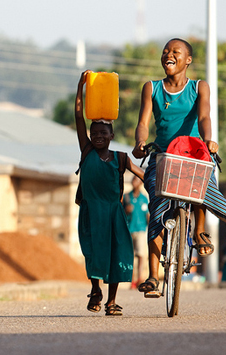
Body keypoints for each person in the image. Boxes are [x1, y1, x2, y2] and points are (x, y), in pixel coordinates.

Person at [131, 38, 226, 295]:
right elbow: (143, 121)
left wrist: (208, 141)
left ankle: (200, 230)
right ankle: (152, 276)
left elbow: (204, 116)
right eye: (165, 51)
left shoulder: (199, 87)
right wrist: (140, 141)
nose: (168, 55)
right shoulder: (152, 88)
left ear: (188, 60)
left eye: (175, 52)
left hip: (192, 152)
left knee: (202, 179)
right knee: (157, 207)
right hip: (163, 155)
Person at [75, 70, 145, 316]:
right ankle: (95, 290)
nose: (97, 137)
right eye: (94, 134)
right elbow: (78, 116)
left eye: (103, 134)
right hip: (91, 211)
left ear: (112, 136)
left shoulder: (121, 158)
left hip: (114, 213)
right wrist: (81, 86)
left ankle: (111, 301)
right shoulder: (86, 151)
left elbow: (142, 175)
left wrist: (158, 187)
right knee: (92, 253)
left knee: (117, 254)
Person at [123, 176, 150, 289]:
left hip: (140, 229)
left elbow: (147, 214)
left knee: (141, 255)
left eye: (137, 181)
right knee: (130, 256)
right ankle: (132, 279)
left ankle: (140, 278)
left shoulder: (144, 198)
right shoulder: (126, 197)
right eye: (133, 180)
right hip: (129, 229)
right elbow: (121, 213)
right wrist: (126, 210)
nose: (135, 183)